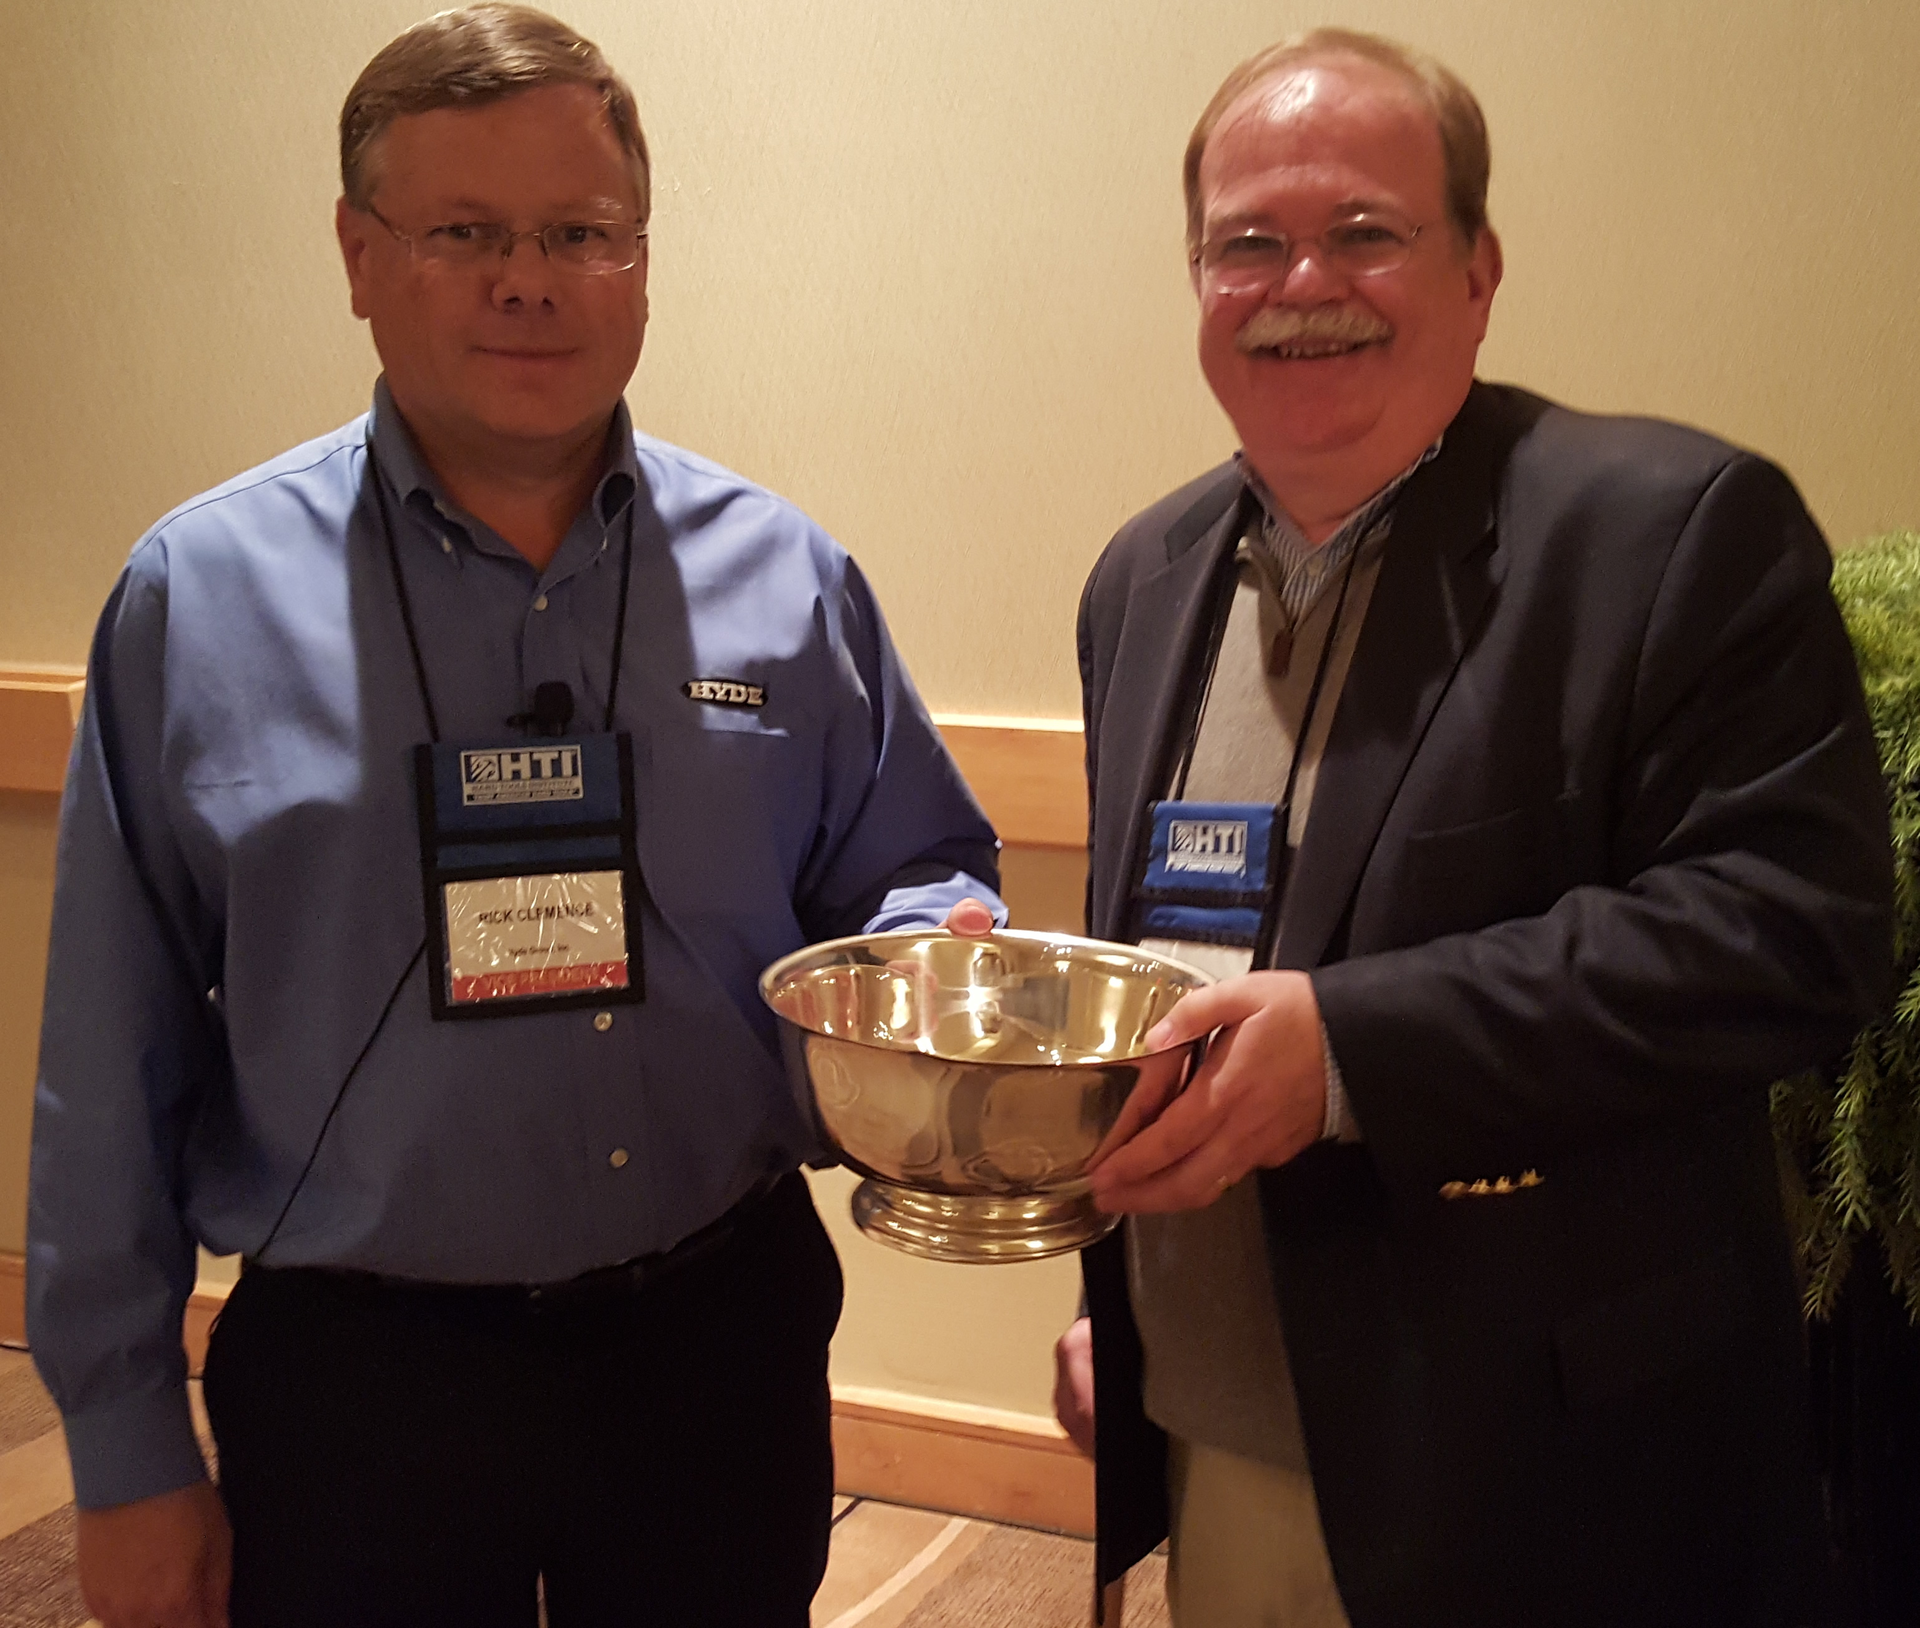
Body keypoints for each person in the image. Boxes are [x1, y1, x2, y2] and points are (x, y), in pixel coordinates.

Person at [26, 7, 1001, 1627]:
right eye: (463, 232)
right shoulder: (193, 602)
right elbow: (105, 1066)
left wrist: (928, 946)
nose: (528, 280)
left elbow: (917, 863)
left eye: (579, 233)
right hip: (360, 1378)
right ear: (355, 253)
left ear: (641, 256)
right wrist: (126, 1453)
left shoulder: (790, 578)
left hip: (720, 1345)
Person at [1059, 27, 1894, 1628]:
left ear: (1477, 266)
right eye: (1248, 242)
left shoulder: (1669, 530)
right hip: (1223, 1434)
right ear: (1197, 280)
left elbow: (1799, 928)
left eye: (1366, 230)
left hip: (1551, 1473)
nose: (1303, 279)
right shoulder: (1139, 581)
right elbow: (1170, 962)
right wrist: (1133, 1309)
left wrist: (1356, 1051)